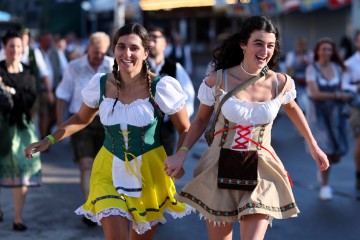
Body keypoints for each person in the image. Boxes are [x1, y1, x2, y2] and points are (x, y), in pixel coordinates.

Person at [165, 16, 329, 240]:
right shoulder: (218, 80)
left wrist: (313, 145)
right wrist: (181, 154)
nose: (265, 50)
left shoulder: (280, 83)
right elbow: (201, 120)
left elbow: (292, 108)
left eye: (270, 45)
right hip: (219, 165)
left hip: (261, 166)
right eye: (259, 43)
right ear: (243, 44)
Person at [24, 23, 193, 239]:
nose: (127, 53)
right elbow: (81, 118)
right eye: (121, 47)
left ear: (145, 52)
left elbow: (185, 128)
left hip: (149, 172)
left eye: (134, 47)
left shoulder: (160, 87)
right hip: (108, 168)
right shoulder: (101, 83)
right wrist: (49, 139)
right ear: (114, 50)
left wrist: (180, 155)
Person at [55, 32, 113, 226]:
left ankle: (106, 204)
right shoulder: (74, 67)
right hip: (81, 122)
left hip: (107, 122)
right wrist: (59, 126)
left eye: (102, 52)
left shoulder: (112, 66)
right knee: (86, 164)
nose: (98, 56)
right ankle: (92, 208)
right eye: (95, 52)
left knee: (104, 168)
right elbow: (62, 95)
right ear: (88, 48)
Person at [0, 30, 41, 231]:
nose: (15, 50)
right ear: (4, 47)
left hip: (22, 127)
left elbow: (31, 99)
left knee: (23, 170)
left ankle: (17, 218)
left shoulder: (27, 71)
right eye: (11, 46)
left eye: (18, 46)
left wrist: (10, 92)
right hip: (1, 127)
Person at [305, 37, 351, 200]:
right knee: (325, 149)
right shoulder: (312, 69)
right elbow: (315, 94)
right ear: (318, 51)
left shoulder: (338, 68)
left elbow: (345, 87)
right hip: (318, 115)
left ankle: (323, 171)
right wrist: (337, 95)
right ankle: (325, 185)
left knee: (335, 152)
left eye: (329, 49)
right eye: (323, 49)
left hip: (336, 114)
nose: (326, 52)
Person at [147, 26, 195, 156]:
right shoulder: (139, 67)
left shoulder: (175, 67)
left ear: (165, 44)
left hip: (166, 128)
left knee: (165, 169)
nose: (151, 43)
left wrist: (179, 116)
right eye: (148, 38)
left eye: (155, 38)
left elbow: (188, 95)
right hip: (141, 128)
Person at [343, 31, 360, 196]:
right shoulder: (350, 63)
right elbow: (344, 85)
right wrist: (357, 87)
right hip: (358, 106)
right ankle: (358, 175)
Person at [285, 38, 313, 113]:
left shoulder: (310, 54)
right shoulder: (291, 55)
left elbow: (313, 66)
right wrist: (294, 70)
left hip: (308, 79)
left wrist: (306, 63)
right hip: (297, 79)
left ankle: (307, 110)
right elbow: (288, 69)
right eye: (299, 45)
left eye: (302, 45)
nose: (301, 47)